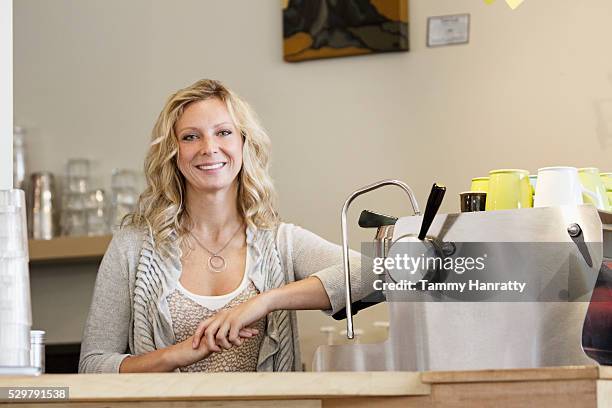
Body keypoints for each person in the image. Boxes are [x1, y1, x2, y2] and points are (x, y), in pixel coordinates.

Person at [78, 79, 372, 373]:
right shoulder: (133, 246)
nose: (209, 148)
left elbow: (374, 272)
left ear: (244, 143)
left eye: (224, 132)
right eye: (191, 137)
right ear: (172, 151)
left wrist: (263, 302)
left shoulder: (281, 242)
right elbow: (92, 365)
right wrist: (178, 354)